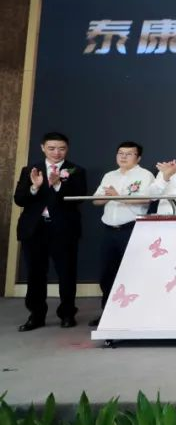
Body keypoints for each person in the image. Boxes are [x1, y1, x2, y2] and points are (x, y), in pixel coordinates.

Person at [13, 132, 87, 331]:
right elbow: (19, 199)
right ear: (42, 148)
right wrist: (34, 188)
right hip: (34, 230)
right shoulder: (30, 169)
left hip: (63, 229)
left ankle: (67, 314)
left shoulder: (76, 170)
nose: (56, 153)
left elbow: (79, 197)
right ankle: (36, 315)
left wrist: (58, 185)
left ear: (67, 149)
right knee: (35, 274)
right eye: (52, 148)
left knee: (67, 273)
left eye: (61, 148)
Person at [91, 141, 154, 326]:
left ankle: (133, 315)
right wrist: (107, 197)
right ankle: (107, 314)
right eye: (120, 153)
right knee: (107, 273)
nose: (123, 157)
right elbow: (95, 201)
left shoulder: (145, 175)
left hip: (132, 229)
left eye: (129, 154)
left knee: (132, 273)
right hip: (109, 230)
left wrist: (117, 196)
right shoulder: (109, 175)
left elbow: (147, 200)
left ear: (138, 158)